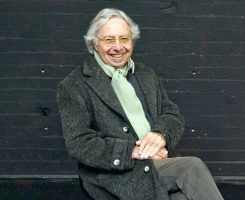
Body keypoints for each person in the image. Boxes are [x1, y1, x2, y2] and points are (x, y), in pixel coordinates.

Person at [57, 8, 224, 200]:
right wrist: (133, 151)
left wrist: (160, 136)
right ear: (94, 43)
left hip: (159, 162)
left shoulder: (146, 74)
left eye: (124, 39)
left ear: (132, 40)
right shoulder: (74, 85)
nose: (118, 47)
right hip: (115, 174)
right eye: (109, 40)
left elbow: (172, 115)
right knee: (192, 168)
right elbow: (79, 144)